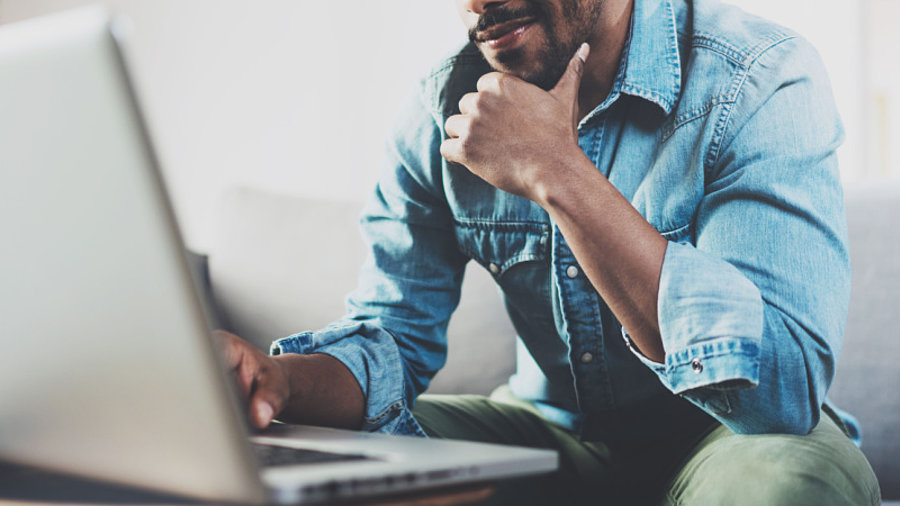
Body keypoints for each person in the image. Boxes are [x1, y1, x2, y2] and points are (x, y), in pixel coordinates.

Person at [218, 0, 881, 503]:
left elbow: (783, 390)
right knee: (314, 453)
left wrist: (559, 174)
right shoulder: (439, 111)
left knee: (787, 481)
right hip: (549, 428)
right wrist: (281, 383)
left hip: (730, 438)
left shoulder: (755, 78)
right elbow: (394, 338)